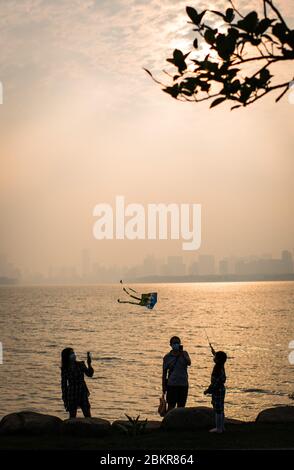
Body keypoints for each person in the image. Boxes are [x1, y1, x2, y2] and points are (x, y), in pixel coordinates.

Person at [61, 347, 94, 418]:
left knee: (87, 415)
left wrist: (89, 364)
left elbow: (90, 374)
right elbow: (64, 385)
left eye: (74, 353)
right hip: (72, 393)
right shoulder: (65, 369)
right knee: (72, 416)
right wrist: (65, 399)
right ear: (67, 356)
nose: (74, 355)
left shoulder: (80, 364)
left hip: (82, 392)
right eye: (71, 353)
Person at [162, 336, 191, 411]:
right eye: (174, 343)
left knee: (181, 407)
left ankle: (179, 422)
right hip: (172, 385)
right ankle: (169, 422)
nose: (176, 344)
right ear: (171, 345)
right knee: (171, 406)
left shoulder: (184, 353)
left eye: (178, 343)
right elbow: (164, 373)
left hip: (183, 384)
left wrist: (182, 354)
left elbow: (189, 363)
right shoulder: (167, 357)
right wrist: (163, 386)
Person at [204, 350, 227, 433]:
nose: (214, 358)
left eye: (215, 357)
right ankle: (222, 427)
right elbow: (220, 357)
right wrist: (214, 353)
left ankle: (218, 428)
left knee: (217, 410)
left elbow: (214, 383)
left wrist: (208, 390)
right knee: (221, 409)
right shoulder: (221, 366)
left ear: (217, 360)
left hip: (217, 391)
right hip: (222, 390)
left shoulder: (217, 369)